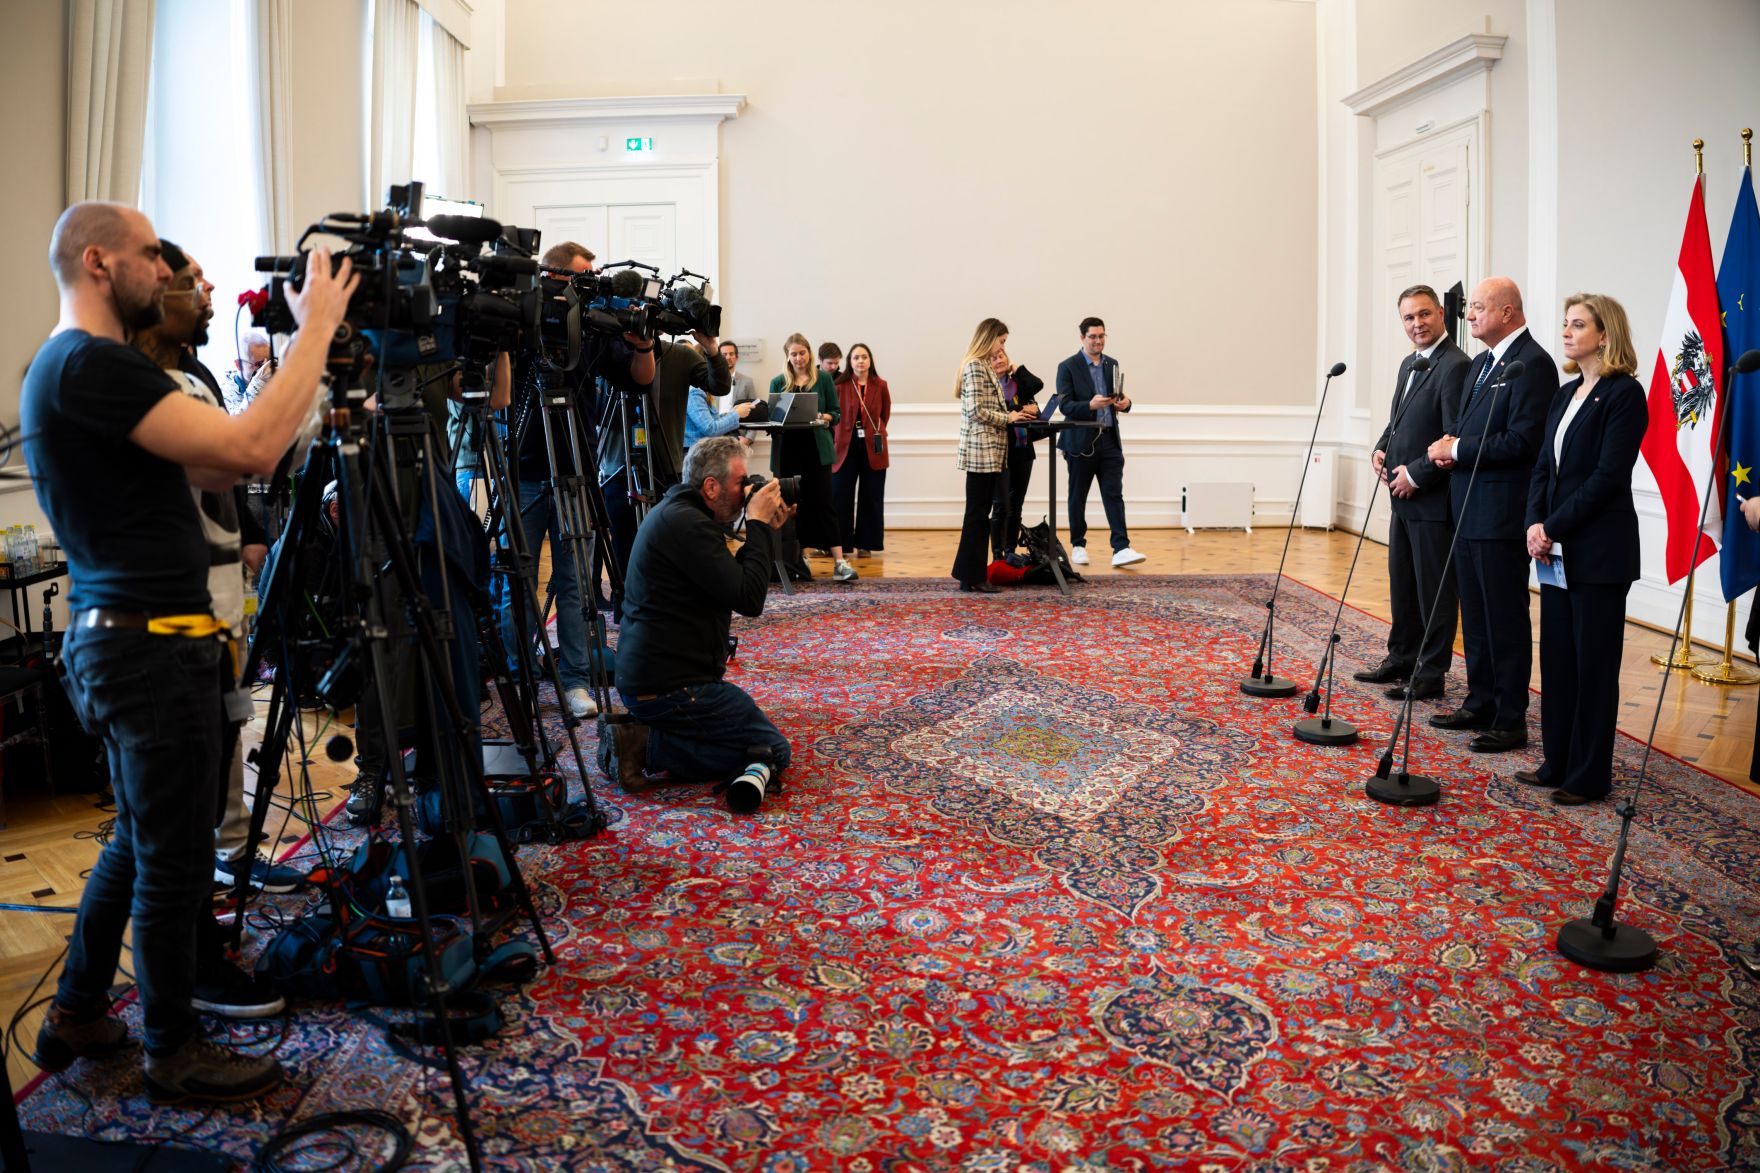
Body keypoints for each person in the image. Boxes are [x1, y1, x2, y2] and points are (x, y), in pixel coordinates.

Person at [24, 200, 355, 1102]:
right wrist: (315, 328)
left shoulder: (82, 368)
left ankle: (79, 1010)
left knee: (142, 841)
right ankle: (173, 1048)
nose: (166, 272)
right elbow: (249, 451)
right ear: (99, 263)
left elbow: (216, 463)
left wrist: (299, 381)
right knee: (173, 857)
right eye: (148, 256)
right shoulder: (89, 363)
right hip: (146, 649)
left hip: (134, 643)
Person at [136, 242, 305, 897]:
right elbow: (235, 457)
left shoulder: (199, 375)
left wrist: (255, 535)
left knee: (232, 724)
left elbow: (231, 473)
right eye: (191, 281)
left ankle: (234, 848)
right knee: (197, 753)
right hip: (181, 595)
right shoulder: (146, 385)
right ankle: (204, 878)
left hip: (226, 580)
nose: (209, 291)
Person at [502, 239, 654, 718]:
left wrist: (643, 341)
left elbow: (640, 379)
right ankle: (519, 673)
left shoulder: (592, 327)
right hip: (525, 470)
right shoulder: (523, 322)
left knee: (575, 585)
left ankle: (574, 681)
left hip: (577, 470)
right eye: (584, 275)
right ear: (553, 277)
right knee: (518, 583)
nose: (593, 284)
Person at [606, 435, 795, 797]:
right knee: (773, 750)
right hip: (669, 689)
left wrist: (765, 527)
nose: (747, 492)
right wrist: (756, 523)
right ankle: (643, 745)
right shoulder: (688, 525)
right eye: (741, 483)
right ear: (711, 486)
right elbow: (749, 599)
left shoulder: (683, 515)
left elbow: (734, 581)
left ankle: (650, 737)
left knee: (753, 742)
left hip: (661, 680)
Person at [1515, 294, 1646, 804]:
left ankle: (1590, 775)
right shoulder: (1566, 393)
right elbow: (1544, 467)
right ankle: (1557, 762)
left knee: (1593, 666)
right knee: (1560, 661)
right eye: (1565, 324)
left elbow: (1608, 477)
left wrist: (1554, 527)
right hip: (1556, 551)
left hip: (1598, 553)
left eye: (1578, 325)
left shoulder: (1624, 395)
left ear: (1605, 335)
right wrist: (1534, 523)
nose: (1567, 333)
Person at [1426, 276, 1557, 752]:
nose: (1470, 315)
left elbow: (1524, 441)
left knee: (1503, 617)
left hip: (1501, 514)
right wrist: (1446, 448)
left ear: (1507, 311)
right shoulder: (1482, 363)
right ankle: (1479, 700)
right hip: (1465, 507)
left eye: (1479, 307)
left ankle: (1509, 717)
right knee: (1476, 615)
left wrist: (1457, 447)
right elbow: (1463, 427)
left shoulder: (1533, 365)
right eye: (1471, 307)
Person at [1356, 285, 1470, 701]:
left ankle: (1430, 673)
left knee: (1434, 592)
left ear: (1441, 314)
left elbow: (1453, 435)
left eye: (1424, 315)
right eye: (1408, 318)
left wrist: (1417, 475)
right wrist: (1381, 448)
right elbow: (1398, 420)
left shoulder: (1455, 365)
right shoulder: (1409, 364)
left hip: (1431, 499)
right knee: (1402, 583)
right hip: (1400, 497)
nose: (1417, 324)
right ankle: (1401, 657)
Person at [601, 328, 728, 613]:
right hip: (617, 466)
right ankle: (626, 603)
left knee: (667, 541)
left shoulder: (678, 355)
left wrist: (710, 348)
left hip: (665, 466)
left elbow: (719, 385)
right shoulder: (606, 351)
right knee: (624, 542)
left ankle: (666, 602)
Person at [1054, 317, 1145, 568]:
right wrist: (1089, 405)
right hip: (1080, 442)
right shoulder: (1068, 367)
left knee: (1114, 494)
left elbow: (1119, 396)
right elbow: (1064, 405)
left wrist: (1125, 404)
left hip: (1109, 440)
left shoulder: (1111, 364)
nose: (1098, 341)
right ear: (1082, 337)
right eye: (1093, 336)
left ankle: (1121, 548)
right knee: (1077, 495)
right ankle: (1078, 545)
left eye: (1102, 336)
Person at [953, 318, 1035, 593]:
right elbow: (977, 410)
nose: (1002, 348)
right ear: (989, 338)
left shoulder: (982, 366)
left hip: (988, 450)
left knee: (978, 513)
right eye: (1001, 341)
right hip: (981, 450)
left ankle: (969, 575)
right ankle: (972, 575)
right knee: (977, 513)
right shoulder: (976, 366)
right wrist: (1008, 417)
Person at [769, 334, 857, 583]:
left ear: (809, 354)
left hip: (817, 452)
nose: (798, 358)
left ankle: (839, 562)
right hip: (787, 452)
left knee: (825, 504)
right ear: (787, 356)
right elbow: (773, 417)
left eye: (802, 353)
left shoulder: (825, 379)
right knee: (794, 506)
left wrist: (823, 416)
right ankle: (800, 559)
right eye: (793, 354)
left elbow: (836, 414)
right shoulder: (778, 382)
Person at [831, 343, 890, 558]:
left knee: (872, 496)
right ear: (850, 361)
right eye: (856, 358)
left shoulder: (880, 385)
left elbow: (885, 415)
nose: (860, 361)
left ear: (870, 360)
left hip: (873, 448)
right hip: (844, 447)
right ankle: (842, 545)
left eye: (864, 357)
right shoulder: (840, 385)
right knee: (840, 496)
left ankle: (867, 543)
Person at [988, 344, 1046, 559]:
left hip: (1023, 450)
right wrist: (1020, 410)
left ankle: (1011, 551)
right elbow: (998, 414)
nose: (999, 359)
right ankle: (997, 555)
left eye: (1002, 355)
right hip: (1001, 450)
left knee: (1016, 505)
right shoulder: (989, 386)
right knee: (1000, 505)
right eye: (994, 358)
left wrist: (1017, 368)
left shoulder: (1017, 383)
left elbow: (1037, 385)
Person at [224, 327, 270, 414]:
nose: (266, 367)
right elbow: (236, 423)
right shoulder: (226, 393)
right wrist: (258, 383)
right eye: (259, 364)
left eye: (269, 360)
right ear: (239, 365)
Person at [720, 340, 757, 406]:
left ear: (737, 357)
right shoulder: (711, 380)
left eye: (731, 354)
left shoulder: (747, 381)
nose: (728, 357)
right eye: (724, 354)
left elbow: (753, 406)